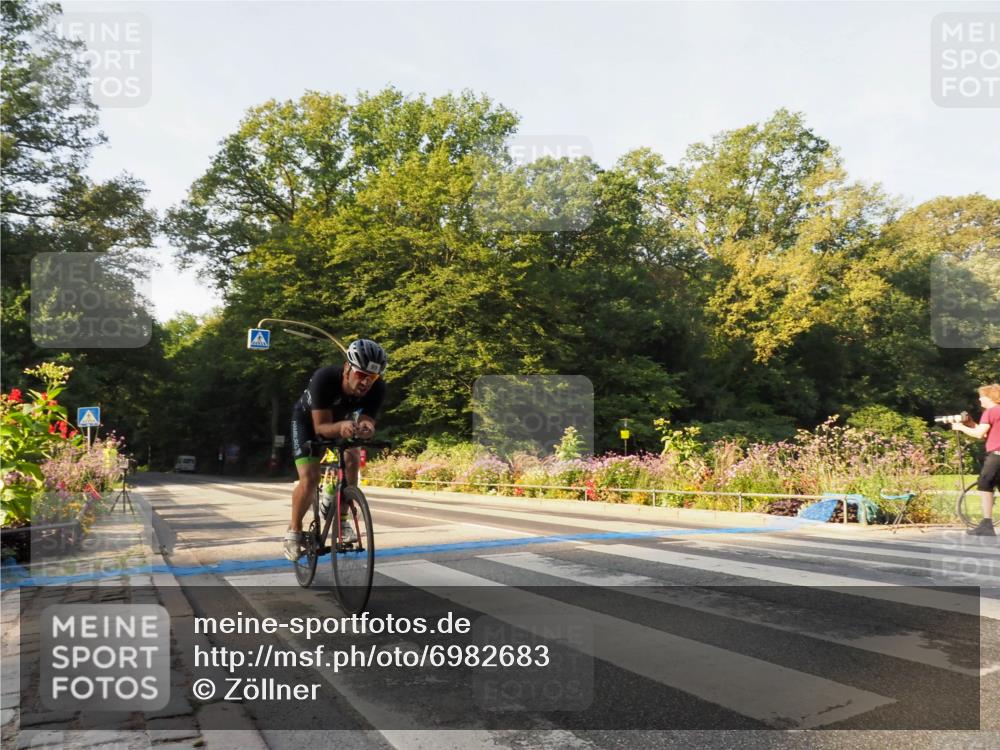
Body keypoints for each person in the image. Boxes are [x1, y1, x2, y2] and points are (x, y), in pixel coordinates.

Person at [283, 339, 387, 561]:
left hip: (342, 422)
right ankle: (293, 532)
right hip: (308, 423)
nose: (366, 382)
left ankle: (342, 519)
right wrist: (341, 427)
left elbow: (368, 418)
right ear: (347, 367)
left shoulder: (377, 388)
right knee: (309, 479)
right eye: (361, 375)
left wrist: (367, 427)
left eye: (373, 377)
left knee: (352, 460)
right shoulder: (325, 379)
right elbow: (321, 427)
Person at [951, 383, 1000, 537]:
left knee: (984, 484)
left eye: (982, 396)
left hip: (997, 455)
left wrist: (960, 428)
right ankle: (986, 524)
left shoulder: (990, 412)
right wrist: (971, 424)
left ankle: (987, 524)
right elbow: (986, 433)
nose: (979, 399)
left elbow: (979, 434)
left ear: (989, 397)